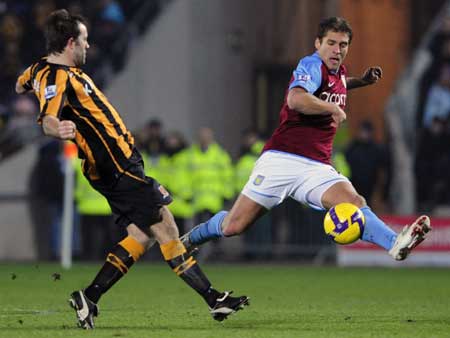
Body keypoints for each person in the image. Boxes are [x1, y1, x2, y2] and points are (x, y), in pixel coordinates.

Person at [15, 9, 248, 330]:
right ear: (70, 43)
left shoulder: (39, 70)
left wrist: (36, 84)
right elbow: (49, 118)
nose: (88, 45)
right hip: (117, 165)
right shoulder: (58, 77)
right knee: (166, 227)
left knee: (140, 235)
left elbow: (19, 85)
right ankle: (214, 300)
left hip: (117, 166)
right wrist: (60, 128)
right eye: (84, 40)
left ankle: (90, 296)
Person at [181, 17, 432, 263]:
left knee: (354, 202)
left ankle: (395, 244)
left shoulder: (338, 73)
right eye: (331, 43)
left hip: (316, 167)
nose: (337, 50)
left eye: (343, 45)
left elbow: (336, 84)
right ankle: (191, 238)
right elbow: (296, 99)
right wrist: (331, 109)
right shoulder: (311, 65)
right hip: (282, 160)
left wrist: (361, 81)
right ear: (317, 44)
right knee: (233, 226)